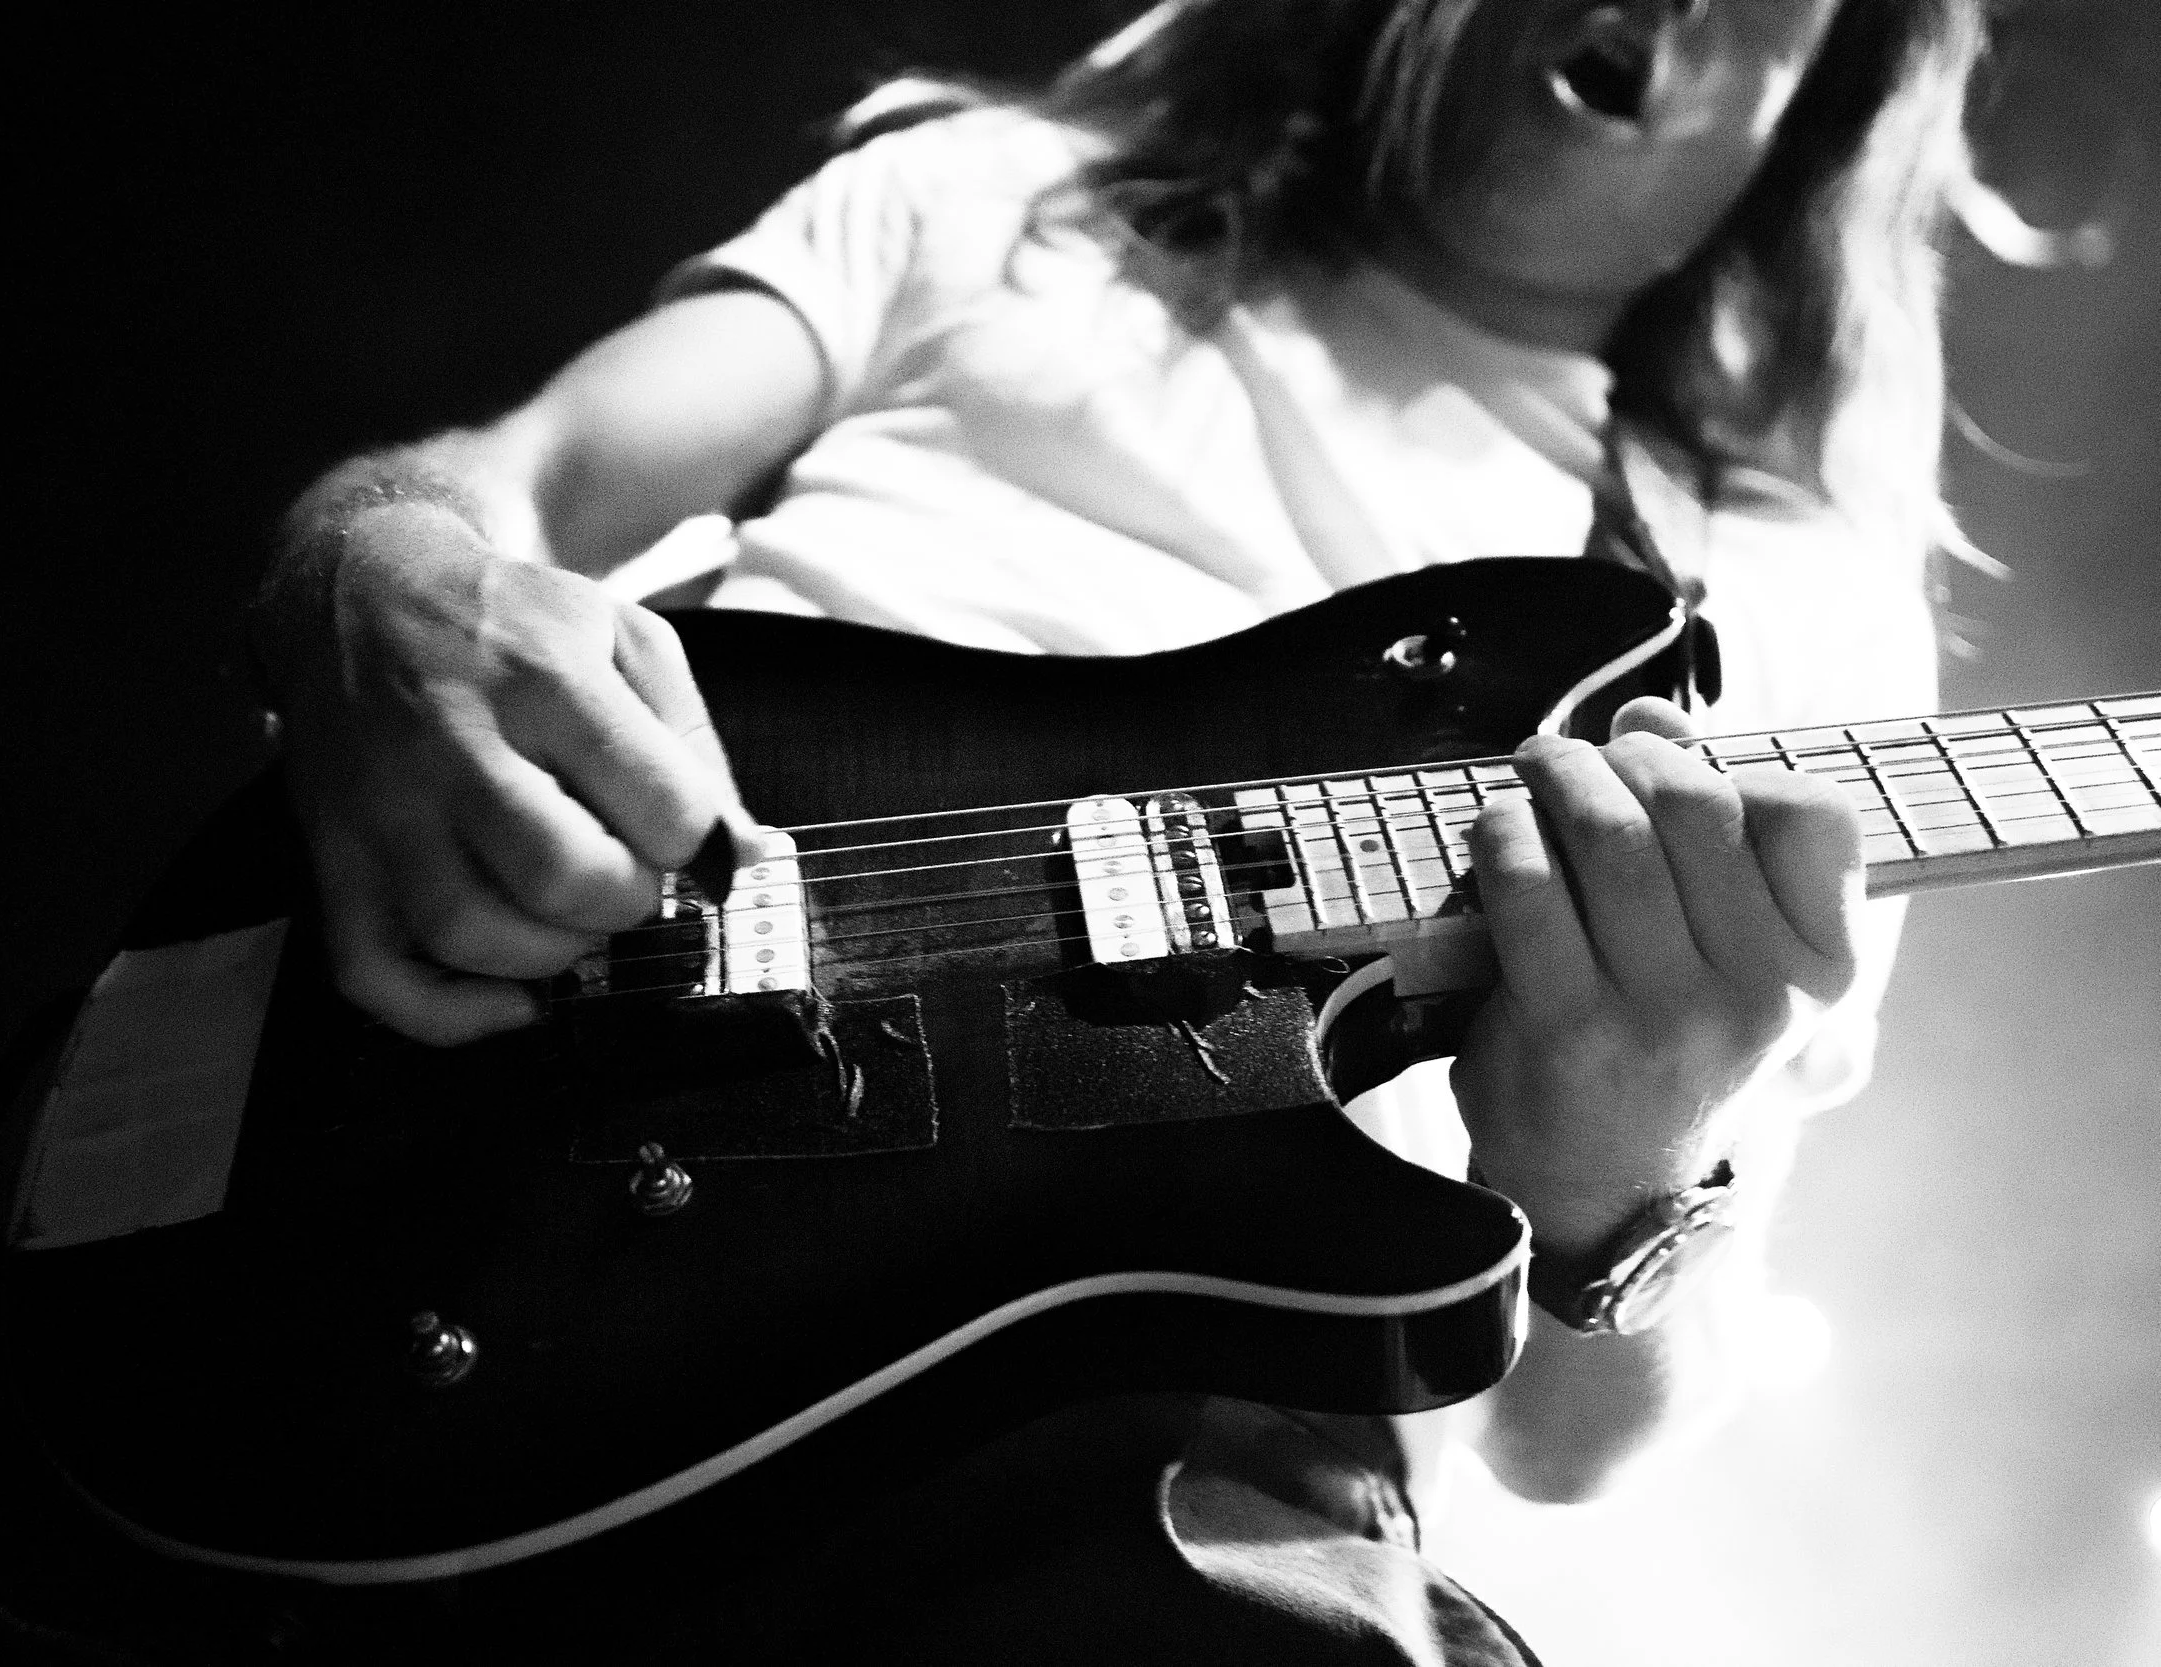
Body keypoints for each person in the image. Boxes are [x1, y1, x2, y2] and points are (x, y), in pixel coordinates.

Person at [250, 0, 1984, 1657]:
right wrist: (372, 572)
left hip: (1183, 1491)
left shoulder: (1782, 588)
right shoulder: (1005, 198)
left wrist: (1619, 1177)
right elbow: (516, 475)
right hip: (518, 1185)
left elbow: (1580, 1436)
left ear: (1822, 101)